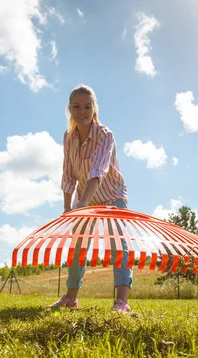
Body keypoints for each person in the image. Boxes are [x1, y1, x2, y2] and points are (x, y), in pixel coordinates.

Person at [49, 84, 132, 313]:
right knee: (78, 246)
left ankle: (121, 302)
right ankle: (70, 298)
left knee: (118, 245)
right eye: (76, 106)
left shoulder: (105, 135)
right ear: (70, 109)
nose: (82, 111)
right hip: (84, 199)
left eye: (87, 106)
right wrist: (68, 208)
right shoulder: (68, 138)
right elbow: (68, 173)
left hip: (112, 195)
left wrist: (83, 203)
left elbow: (98, 170)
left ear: (94, 108)